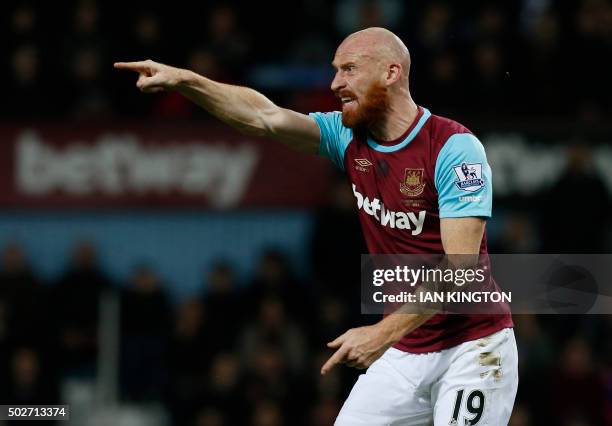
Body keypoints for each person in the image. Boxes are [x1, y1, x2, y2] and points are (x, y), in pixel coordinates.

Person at [115, 27, 518, 425]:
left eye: (349, 70)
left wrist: (382, 333)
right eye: (335, 70)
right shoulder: (346, 136)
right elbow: (264, 116)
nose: (335, 83)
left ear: (391, 73)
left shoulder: (453, 147)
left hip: (474, 346)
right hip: (406, 349)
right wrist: (188, 81)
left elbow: (461, 268)